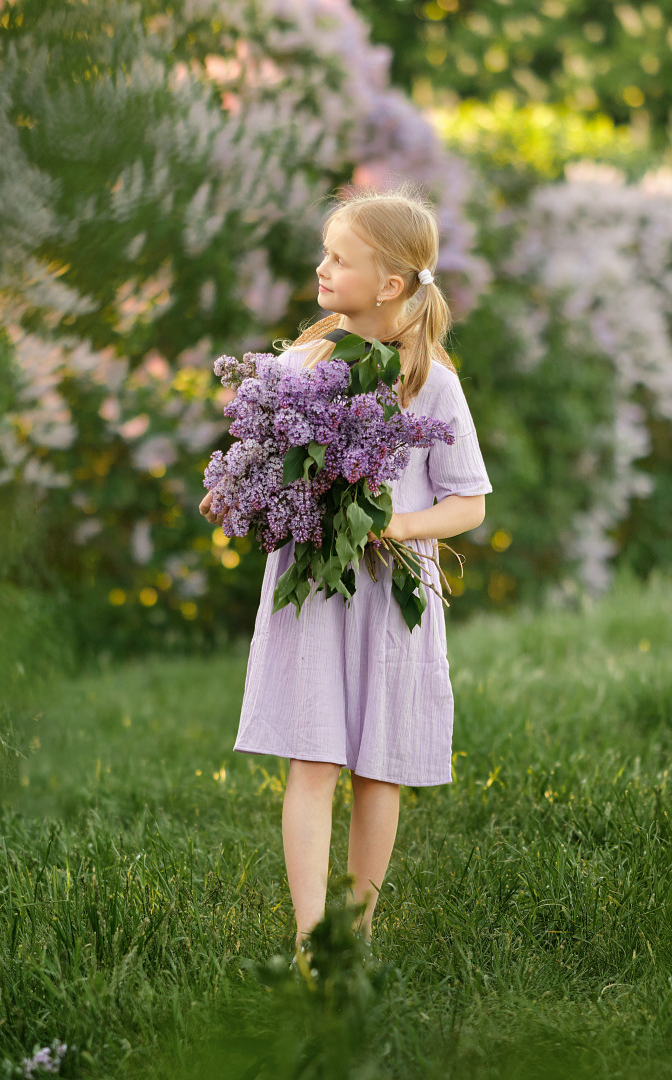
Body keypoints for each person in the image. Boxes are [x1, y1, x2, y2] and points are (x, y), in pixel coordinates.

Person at [198, 184, 491, 954]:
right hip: (316, 595)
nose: (322, 267)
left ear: (390, 284)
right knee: (314, 754)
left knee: (379, 765)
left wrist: (396, 525)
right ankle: (308, 941)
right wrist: (236, 491)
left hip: (387, 596)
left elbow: (469, 505)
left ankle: (353, 935)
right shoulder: (300, 363)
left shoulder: (432, 381)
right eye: (325, 253)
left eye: (339, 257)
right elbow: (264, 455)